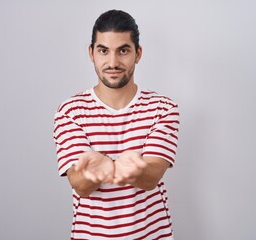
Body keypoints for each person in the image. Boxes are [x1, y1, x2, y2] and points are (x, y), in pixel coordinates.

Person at [53, 9, 180, 240]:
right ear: (91, 53)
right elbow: (80, 185)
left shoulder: (163, 108)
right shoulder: (70, 111)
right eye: (103, 50)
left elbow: (151, 177)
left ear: (138, 54)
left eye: (123, 50)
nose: (113, 62)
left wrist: (136, 170)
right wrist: (99, 170)